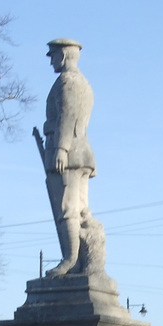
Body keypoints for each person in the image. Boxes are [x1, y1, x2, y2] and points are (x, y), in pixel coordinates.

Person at [42, 38, 98, 277]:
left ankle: (71, 260)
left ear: (63, 56)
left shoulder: (68, 82)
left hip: (69, 154)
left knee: (67, 209)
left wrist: (61, 149)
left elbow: (68, 115)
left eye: (54, 56)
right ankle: (82, 261)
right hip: (80, 153)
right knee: (80, 210)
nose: (52, 61)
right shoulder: (82, 82)